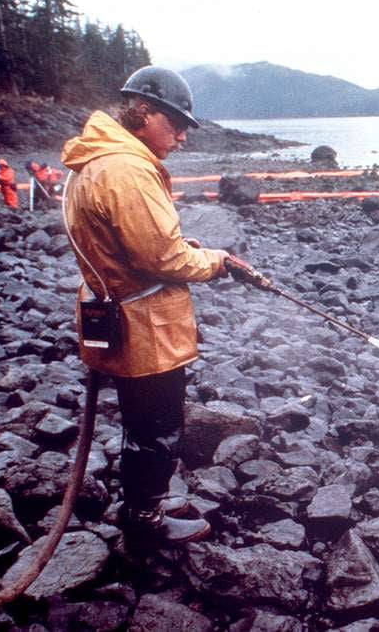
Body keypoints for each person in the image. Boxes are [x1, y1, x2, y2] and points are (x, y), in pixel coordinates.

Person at [61, 65, 234, 544]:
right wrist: (214, 260)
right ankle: (144, 521)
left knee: (141, 422)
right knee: (157, 425)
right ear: (143, 111)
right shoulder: (127, 169)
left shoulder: (95, 161)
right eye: (175, 124)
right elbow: (163, 256)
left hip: (114, 310)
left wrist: (183, 248)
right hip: (145, 323)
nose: (181, 137)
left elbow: (128, 244)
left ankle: (140, 505)